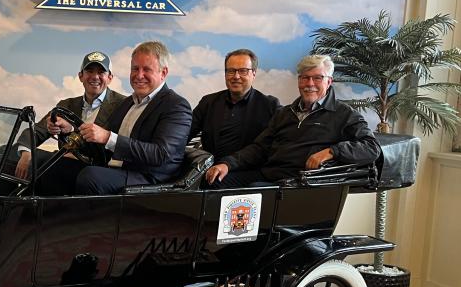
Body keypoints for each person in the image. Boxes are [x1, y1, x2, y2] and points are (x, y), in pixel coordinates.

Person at [208, 54, 380, 188]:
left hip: (301, 183)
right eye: (304, 77)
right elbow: (259, 148)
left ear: (329, 81)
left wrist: (332, 151)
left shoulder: (343, 114)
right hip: (270, 175)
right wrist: (226, 165)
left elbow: (372, 148)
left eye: (317, 78)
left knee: (255, 191)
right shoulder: (284, 113)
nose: (309, 83)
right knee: (216, 181)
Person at [66, 40, 192, 195]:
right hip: (116, 170)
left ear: (163, 73)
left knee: (90, 177)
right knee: (54, 165)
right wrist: (69, 130)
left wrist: (108, 137)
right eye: (135, 69)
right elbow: (101, 148)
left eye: (146, 69)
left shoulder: (176, 106)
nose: (139, 75)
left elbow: (161, 154)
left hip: (150, 178)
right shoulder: (127, 103)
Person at [12, 51, 125, 192]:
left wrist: (71, 130)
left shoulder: (123, 105)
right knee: (5, 153)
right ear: (80, 76)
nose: (95, 77)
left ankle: (22, 209)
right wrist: (27, 152)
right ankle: (1, 209)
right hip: (62, 162)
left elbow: (112, 148)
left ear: (109, 77)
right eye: (89, 71)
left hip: (95, 170)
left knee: (44, 163)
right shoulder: (66, 105)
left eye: (101, 72)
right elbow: (37, 131)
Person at [191, 49, 280, 184]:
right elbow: (185, 132)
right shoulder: (208, 102)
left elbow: (263, 148)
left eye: (243, 71)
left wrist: (227, 164)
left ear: (254, 73)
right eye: (231, 71)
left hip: (248, 171)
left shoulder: (270, 106)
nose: (236, 76)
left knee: (214, 182)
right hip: (210, 167)